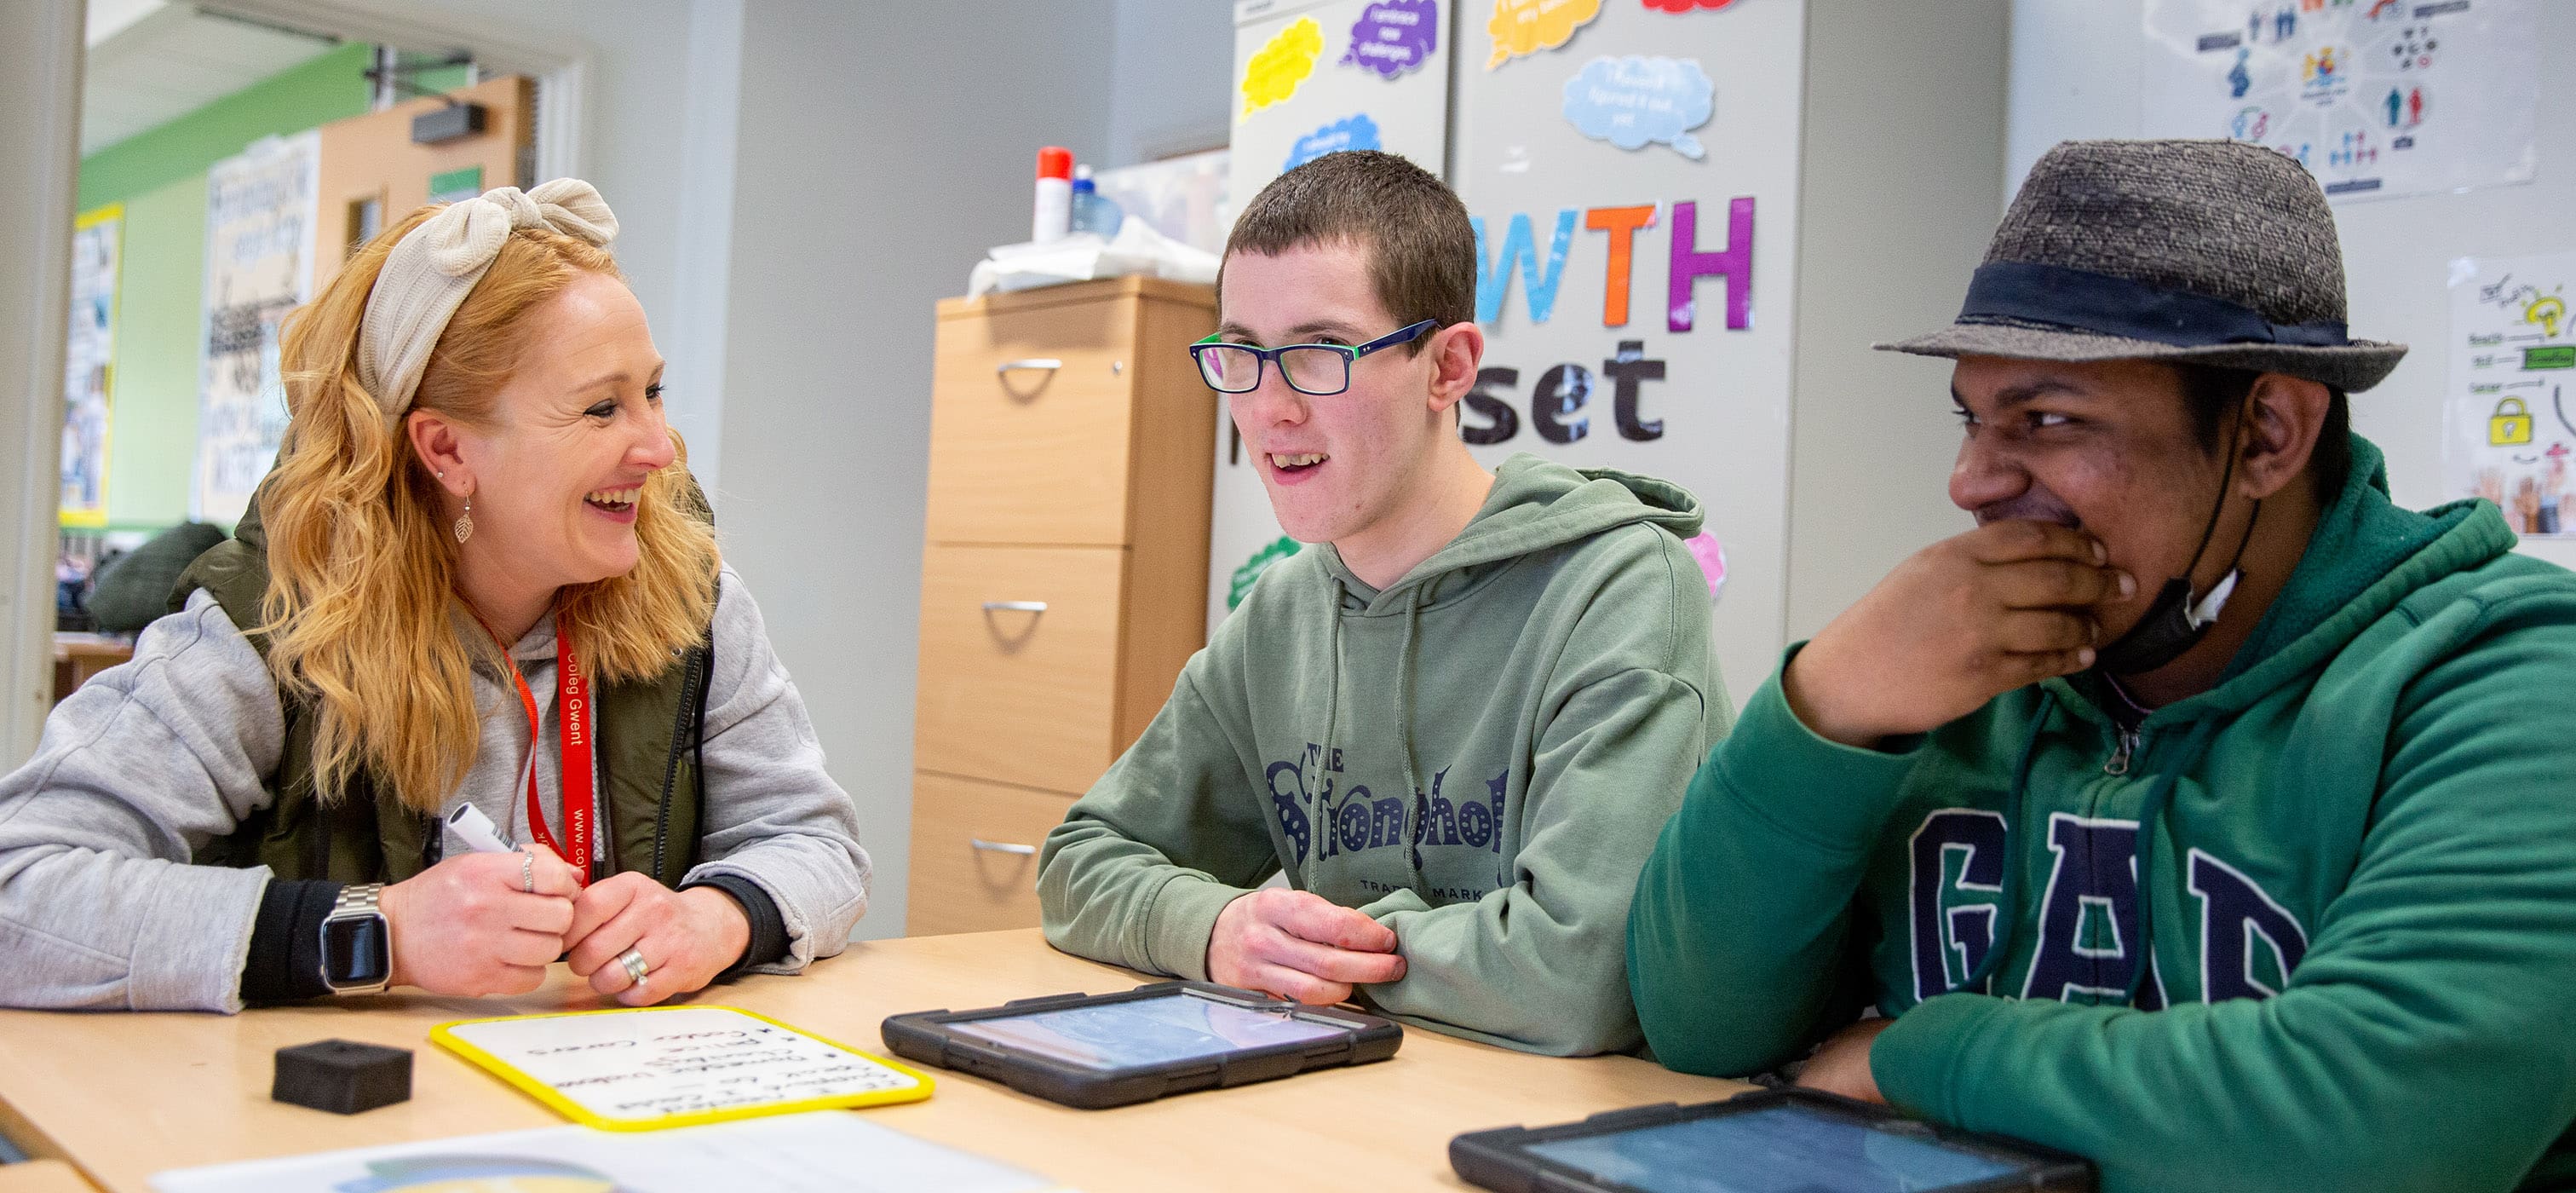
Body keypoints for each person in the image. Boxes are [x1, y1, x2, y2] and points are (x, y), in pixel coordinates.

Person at [1627, 139, 2576, 1191]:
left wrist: (1917, 1055)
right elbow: (1696, 1021)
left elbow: (2379, 1125)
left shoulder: (2508, 677)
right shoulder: (1959, 670)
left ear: (2267, 432)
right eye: (1972, 419)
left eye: (2047, 419)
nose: (1970, 482)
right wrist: (1825, 707)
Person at [0, 181, 870, 1012]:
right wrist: (379, 932)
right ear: (447, 449)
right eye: (602, 409)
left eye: (652, 391)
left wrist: (717, 915)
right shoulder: (267, 624)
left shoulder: (689, 593)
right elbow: (21, 893)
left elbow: (819, 843)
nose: (659, 449)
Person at [1037, 150, 1728, 1056]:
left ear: (1449, 366)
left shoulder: (1620, 589)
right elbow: (1078, 861)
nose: (1269, 409)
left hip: (1557, 1129)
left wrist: (1319, 954)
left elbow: (1580, 975)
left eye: (1319, 354)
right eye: (1241, 354)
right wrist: (1217, 929)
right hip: (1360, 1096)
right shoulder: (1286, 608)